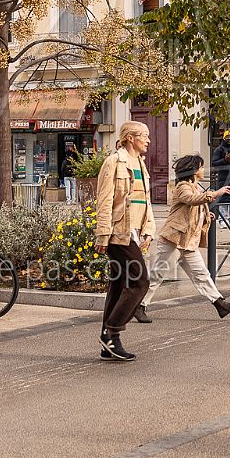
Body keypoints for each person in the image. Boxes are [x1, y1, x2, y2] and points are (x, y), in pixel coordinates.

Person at [138, 154, 230, 322]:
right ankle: (140, 305)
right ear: (193, 170)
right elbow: (191, 200)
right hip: (173, 240)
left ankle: (220, 304)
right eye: (201, 167)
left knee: (201, 274)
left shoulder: (196, 187)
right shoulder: (182, 187)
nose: (203, 169)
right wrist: (216, 193)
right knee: (158, 274)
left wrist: (206, 215)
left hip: (188, 242)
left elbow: (195, 208)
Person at [94, 120, 156, 361]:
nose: (148, 140)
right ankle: (112, 332)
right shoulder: (114, 162)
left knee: (119, 284)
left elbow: (146, 201)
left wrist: (148, 229)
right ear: (130, 137)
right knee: (140, 281)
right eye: (144, 136)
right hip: (118, 232)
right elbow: (104, 200)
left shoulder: (140, 163)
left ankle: (107, 341)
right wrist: (102, 234)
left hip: (135, 232)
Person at [211, 131, 230, 227]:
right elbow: (214, 163)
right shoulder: (219, 149)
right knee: (223, 199)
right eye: (227, 137)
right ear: (224, 138)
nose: (229, 138)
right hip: (224, 178)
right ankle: (222, 220)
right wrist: (225, 159)